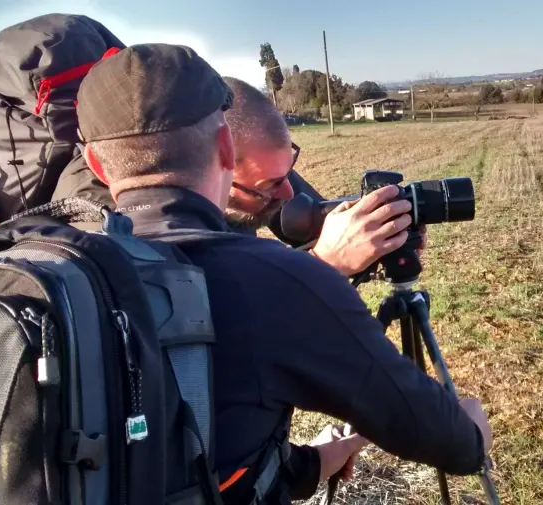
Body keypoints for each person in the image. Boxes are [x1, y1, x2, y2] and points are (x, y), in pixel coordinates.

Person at [75, 43, 493, 505]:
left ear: (95, 163)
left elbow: (176, 445)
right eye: (270, 185)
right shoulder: (273, 281)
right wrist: (471, 423)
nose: (289, 192)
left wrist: (309, 463)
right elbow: (454, 444)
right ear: (225, 147)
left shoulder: (63, 272)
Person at [220, 76, 426, 277]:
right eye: (269, 185)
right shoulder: (189, 248)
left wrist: (382, 219)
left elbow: (309, 220)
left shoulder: (265, 175)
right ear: (217, 170)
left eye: (287, 172)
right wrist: (324, 265)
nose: (288, 193)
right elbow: (237, 307)